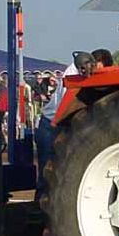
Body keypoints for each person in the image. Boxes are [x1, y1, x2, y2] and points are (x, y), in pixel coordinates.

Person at [35, 61, 80, 200]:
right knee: (47, 170)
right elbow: (66, 106)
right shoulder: (73, 72)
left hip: (59, 124)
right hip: (51, 125)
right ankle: (41, 205)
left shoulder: (78, 71)